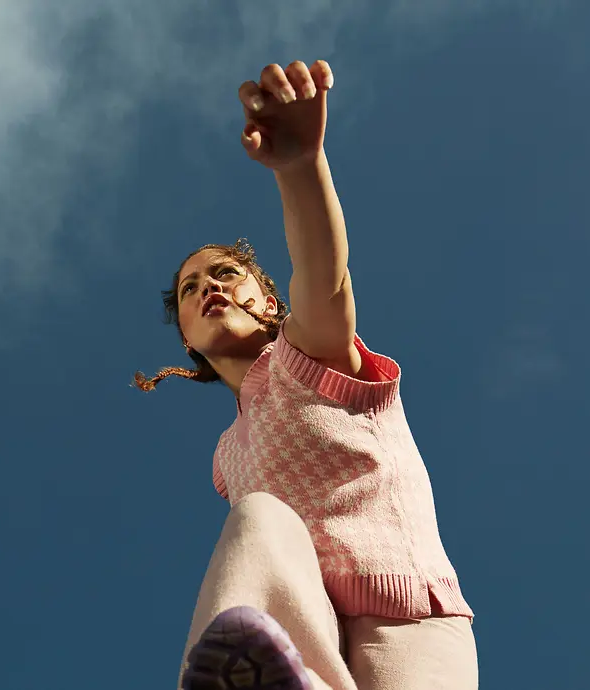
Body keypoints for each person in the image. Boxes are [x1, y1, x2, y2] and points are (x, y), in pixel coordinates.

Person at [137, 59, 478, 690]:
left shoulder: (307, 355)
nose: (208, 286)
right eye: (190, 288)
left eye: (223, 274)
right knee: (259, 521)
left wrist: (299, 166)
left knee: (261, 515)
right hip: (299, 618)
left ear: (268, 302)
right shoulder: (225, 457)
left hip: (401, 617)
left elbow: (325, 278)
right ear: (187, 338)